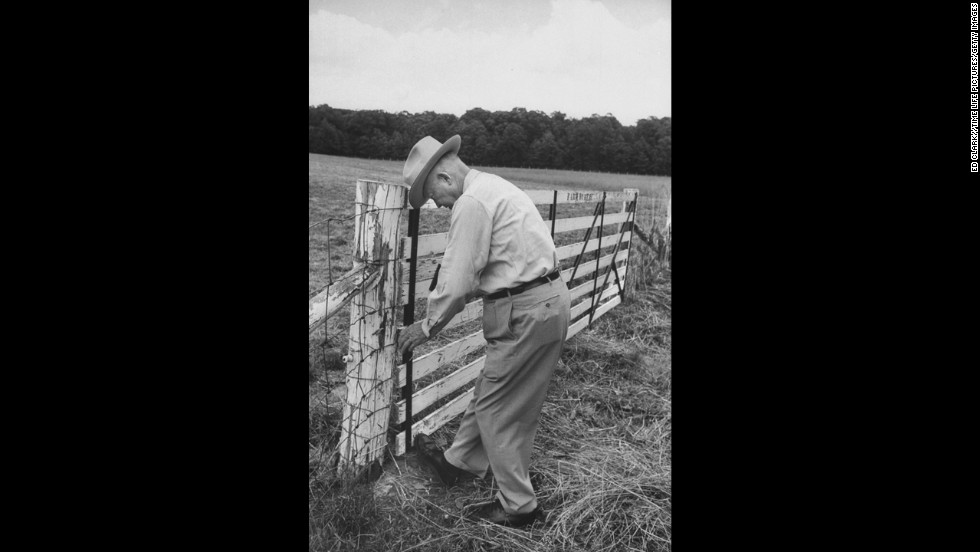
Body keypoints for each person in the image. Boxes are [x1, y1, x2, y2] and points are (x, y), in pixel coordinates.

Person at [397, 134, 571, 528]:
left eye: (432, 196)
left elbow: (457, 283)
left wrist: (426, 327)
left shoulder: (471, 203)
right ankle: (457, 464)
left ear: (443, 176)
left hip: (524, 311)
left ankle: (519, 507)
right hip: (546, 301)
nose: (437, 206)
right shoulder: (493, 186)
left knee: (498, 409)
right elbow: (491, 262)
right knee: (494, 391)